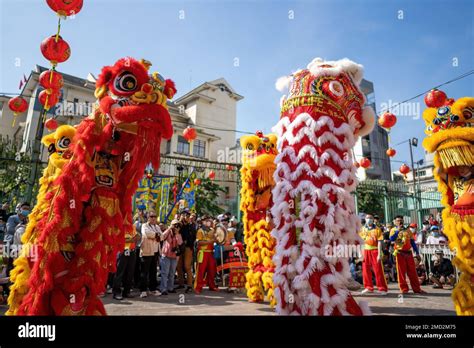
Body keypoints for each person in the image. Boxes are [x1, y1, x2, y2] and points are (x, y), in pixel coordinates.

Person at [389, 215, 426, 294]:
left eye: (401, 220)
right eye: (398, 220)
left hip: (408, 253)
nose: (400, 222)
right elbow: (391, 239)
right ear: (395, 222)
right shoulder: (393, 230)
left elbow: (412, 242)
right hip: (399, 253)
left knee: (412, 272)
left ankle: (417, 289)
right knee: (401, 272)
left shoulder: (408, 230)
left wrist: (417, 252)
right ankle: (404, 289)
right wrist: (397, 231)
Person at [359, 214, 388, 295]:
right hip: (365, 251)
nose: (369, 219)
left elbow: (379, 242)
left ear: (373, 219)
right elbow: (360, 242)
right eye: (367, 218)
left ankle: (382, 288)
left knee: (378, 270)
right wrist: (360, 253)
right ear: (365, 219)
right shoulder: (362, 229)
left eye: (370, 218)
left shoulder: (377, 229)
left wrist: (379, 253)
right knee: (365, 270)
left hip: (374, 250)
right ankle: (368, 287)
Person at [112, 223, 140, 300]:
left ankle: (126, 292)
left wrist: (137, 237)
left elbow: (137, 236)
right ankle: (116, 292)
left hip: (132, 251)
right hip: (122, 251)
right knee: (120, 272)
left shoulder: (132, 226)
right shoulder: (119, 226)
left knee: (130, 273)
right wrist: (131, 240)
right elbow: (118, 239)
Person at [139, 212, 162, 298]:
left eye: (155, 216)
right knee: (144, 272)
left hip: (155, 252)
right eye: (151, 216)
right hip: (146, 251)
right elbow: (147, 234)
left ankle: (153, 289)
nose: (153, 218)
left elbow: (162, 236)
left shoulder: (157, 226)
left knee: (153, 271)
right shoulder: (144, 225)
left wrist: (156, 235)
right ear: (148, 218)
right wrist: (157, 235)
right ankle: (143, 290)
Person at [4, 202, 30, 278]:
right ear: (20, 209)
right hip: (10, 241)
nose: (26, 210)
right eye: (24, 208)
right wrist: (19, 227)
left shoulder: (28, 220)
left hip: (21, 244)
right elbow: (9, 229)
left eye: (28, 209)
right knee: (8, 262)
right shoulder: (12, 218)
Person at [194, 215, 219, 294]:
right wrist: (210, 241)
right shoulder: (200, 231)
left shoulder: (212, 231)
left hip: (211, 253)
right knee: (200, 271)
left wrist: (218, 239)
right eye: (206, 220)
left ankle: (212, 286)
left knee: (212, 270)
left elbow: (217, 241)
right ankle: (198, 287)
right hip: (202, 253)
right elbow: (199, 243)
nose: (208, 222)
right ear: (202, 222)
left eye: (209, 220)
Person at [160, 219, 183, 295]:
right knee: (165, 273)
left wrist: (177, 233)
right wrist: (169, 228)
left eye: (177, 225)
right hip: (166, 255)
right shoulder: (168, 232)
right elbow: (162, 237)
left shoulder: (178, 234)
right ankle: (163, 289)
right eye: (175, 225)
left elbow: (180, 243)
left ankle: (170, 288)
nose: (176, 226)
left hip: (174, 256)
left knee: (172, 273)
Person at [176, 211, 196, 293]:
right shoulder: (178, 224)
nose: (185, 217)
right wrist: (180, 222)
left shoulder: (191, 226)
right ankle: (181, 283)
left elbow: (192, 237)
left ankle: (189, 285)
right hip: (179, 247)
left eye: (187, 215)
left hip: (188, 247)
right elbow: (175, 231)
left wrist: (188, 223)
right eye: (184, 215)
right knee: (178, 266)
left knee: (187, 266)